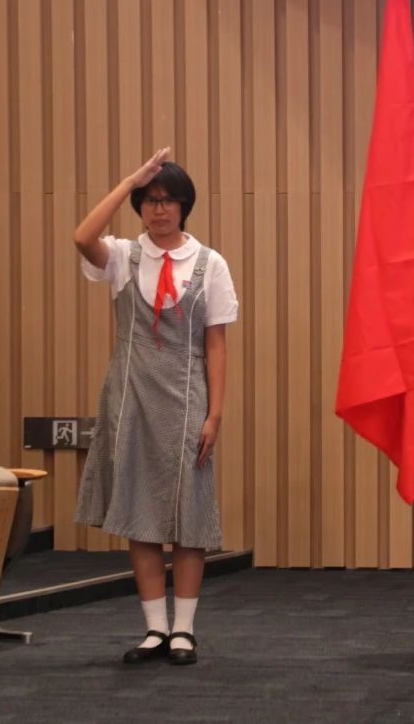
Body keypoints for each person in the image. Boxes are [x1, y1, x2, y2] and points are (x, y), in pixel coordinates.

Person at [73, 148, 239, 666]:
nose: (159, 209)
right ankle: (154, 629)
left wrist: (215, 413)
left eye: (168, 200)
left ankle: (184, 629)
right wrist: (129, 181)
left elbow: (216, 344)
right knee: (138, 512)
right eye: (149, 201)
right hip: (130, 398)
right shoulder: (123, 255)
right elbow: (81, 237)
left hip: (188, 399)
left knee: (189, 514)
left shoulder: (210, 263)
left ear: (184, 205)